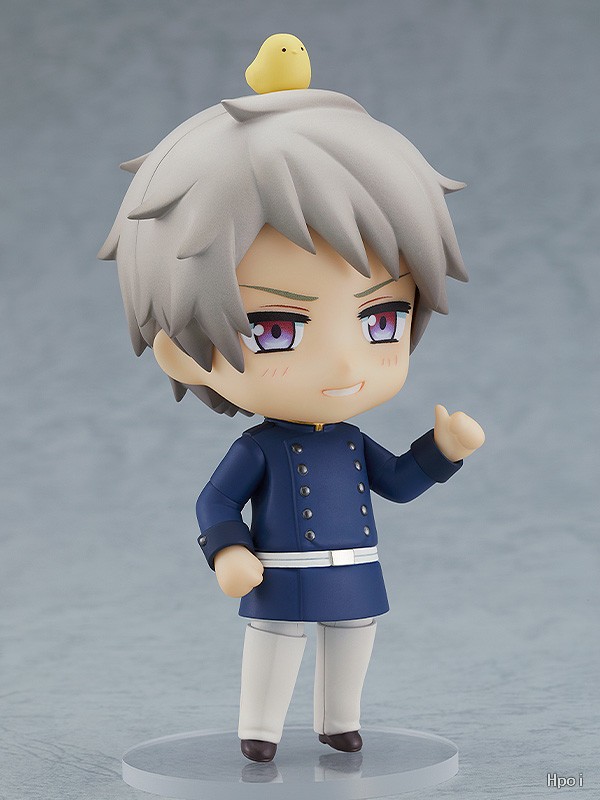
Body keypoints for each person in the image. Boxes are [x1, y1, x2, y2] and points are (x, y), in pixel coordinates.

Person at [99, 78, 484, 764]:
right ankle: (261, 729)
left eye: (380, 320)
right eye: (277, 330)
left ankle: (340, 721)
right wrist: (229, 551)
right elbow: (216, 501)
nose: (344, 364)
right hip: (279, 570)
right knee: (276, 644)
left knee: (355, 636)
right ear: (181, 353)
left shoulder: (351, 441)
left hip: (354, 567)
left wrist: (441, 451)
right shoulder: (259, 448)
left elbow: (397, 483)